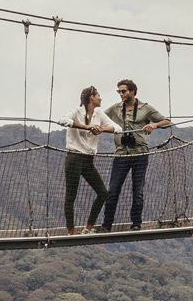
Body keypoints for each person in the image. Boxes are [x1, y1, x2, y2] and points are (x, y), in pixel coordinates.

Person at [100, 78, 171, 231]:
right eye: (119, 91)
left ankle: (136, 223)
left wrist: (154, 124)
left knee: (137, 190)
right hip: (121, 154)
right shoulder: (115, 108)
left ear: (132, 91)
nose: (121, 94)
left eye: (123, 91)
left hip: (140, 153)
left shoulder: (145, 108)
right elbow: (99, 118)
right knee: (113, 191)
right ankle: (106, 225)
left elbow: (167, 121)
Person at [58, 86, 120, 234]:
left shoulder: (98, 113)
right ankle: (71, 231)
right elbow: (62, 120)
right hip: (74, 158)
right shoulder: (76, 111)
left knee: (103, 193)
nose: (100, 98)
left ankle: (88, 228)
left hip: (88, 160)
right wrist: (87, 127)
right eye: (98, 95)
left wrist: (100, 129)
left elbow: (117, 128)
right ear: (91, 97)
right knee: (71, 195)